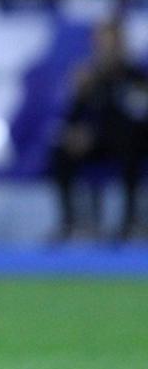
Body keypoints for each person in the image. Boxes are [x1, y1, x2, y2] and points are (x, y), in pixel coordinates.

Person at [50, 17, 148, 242]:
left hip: (130, 141)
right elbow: (74, 114)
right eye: (99, 42)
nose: (104, 47)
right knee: (60, 150)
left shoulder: (134, 75)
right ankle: (70, 221)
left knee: (130, 146)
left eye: (109, 41)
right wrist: (73, 130)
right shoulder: (88, 76)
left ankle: (129, 222)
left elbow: (138, 114)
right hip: (97, 142)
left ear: (120, 43)